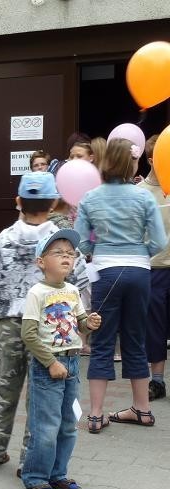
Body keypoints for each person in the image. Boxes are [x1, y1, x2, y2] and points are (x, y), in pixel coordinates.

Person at [0, 172, 88, 472]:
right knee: (41, 396)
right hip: (49, 329)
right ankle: (30, 459)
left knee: (5, 388)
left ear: (17, 202)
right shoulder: (62, 242)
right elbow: (78, 281)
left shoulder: (6, 237)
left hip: (12, 323)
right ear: (53, 202)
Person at [74, 138, 167, 431]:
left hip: (106, 273)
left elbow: (81, 241)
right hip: (141, 272)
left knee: (102, 341)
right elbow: (160, 242)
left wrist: (96, 251)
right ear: (132, 164)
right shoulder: (144, 198)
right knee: (135, 340)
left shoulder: (90, 198)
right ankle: (142, 409)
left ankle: (97, 414)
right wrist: (139, 254)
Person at [20, 230, 101, 489]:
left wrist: (88, 323)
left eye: (71, 253)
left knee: (68, 423)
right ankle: (36, 477)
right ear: (41, 262)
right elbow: (28, 334)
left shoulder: (73, 290)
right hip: (48, 367)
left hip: (73, 363)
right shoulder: (37, 293)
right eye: (59, 253)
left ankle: (58, 474)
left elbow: (78, 323)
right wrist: (51, 362)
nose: (67, 257)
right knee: (46, 426)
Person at [139, 135, 170, 401]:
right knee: (156, 326)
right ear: (152, 160)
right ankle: (157, 380)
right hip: (155, 269)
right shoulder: (141, 193)